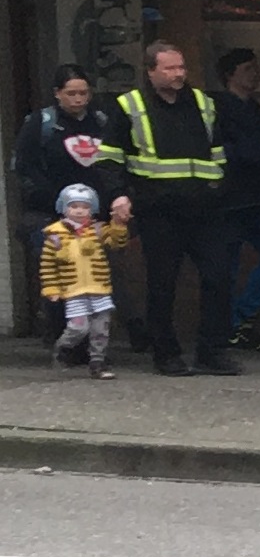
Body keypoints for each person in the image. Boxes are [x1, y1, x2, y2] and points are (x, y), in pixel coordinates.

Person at [93, 39, 243, 377]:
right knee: (162, 284)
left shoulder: (203, 104)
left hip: (204, 208)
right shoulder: (130, 106)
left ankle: (212, 351)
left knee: (219, 277)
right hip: (159, 210)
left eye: (181, 67)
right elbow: (109, 158)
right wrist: (119, 196)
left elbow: (218, 152)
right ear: (150, 71)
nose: (178, 74)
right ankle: (166, 354)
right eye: (170, 68)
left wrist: (220, 187)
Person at [13, 68, 107, 351]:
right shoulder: (42, 123)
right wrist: (52, 199)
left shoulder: (99, 122)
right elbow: (24, 166)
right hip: (50, 214)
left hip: (91, 216)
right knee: (59, 273)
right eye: (71, 93)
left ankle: (93, 341)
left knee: (93, 274)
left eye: (83, 93)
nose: (78, 99)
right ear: (57, 94)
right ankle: (61, 337)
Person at [215, 50, 260, 348]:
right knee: (228, 266)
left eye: (255, 68)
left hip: (259, 199)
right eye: (247, 69)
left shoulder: (256, 109)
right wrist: (251, 150)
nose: (254, 75)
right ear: (230, 75)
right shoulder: (219, 108)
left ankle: (243, 314)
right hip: (231, 199)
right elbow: (227, 151)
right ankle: (229, 325)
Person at [38, 182, 129, 377]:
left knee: (101, 330)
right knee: (78, 327)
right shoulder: (55, 236)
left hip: (99, 289)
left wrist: (119, 224)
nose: (79, 211)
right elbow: (48, 265)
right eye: (73, 206)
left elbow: (116, 242)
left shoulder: (98, 230)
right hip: (74, 290)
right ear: (64, 208)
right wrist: (51, 288)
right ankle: (64, 347)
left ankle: (98, 362)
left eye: (85, 207)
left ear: (92, 209)